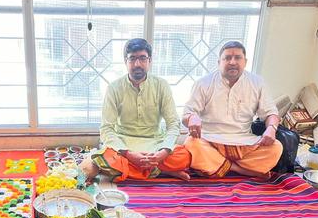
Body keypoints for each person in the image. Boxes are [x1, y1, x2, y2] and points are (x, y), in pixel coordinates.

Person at [80, 38, 191, 182]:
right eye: (132, 59)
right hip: (124, 145)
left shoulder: (161, 85)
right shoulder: (114, 88)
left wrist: (163, 152)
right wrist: (129, 154)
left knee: (184, 155)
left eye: (142, 58)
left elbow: (173, 124)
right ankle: (160, 170)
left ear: (149, 60)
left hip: (154, 144)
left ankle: (139, 169)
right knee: (101, 159)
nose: (137, 64)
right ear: (125, 61)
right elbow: (106, 129)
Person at [182, 41, 282, 178]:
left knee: (276, 147)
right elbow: (187, 113)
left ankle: (218, 166)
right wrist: (192, 118)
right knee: (191, 143)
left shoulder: (257, 83)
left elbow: (271, 112)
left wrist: (271, 128)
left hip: (245, 142)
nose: (232, 62)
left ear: (245, 61)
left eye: (237, 57)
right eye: (227, 58)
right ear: (219, 62)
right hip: (210, 140)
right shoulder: (203, 83)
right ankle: (240, 170)